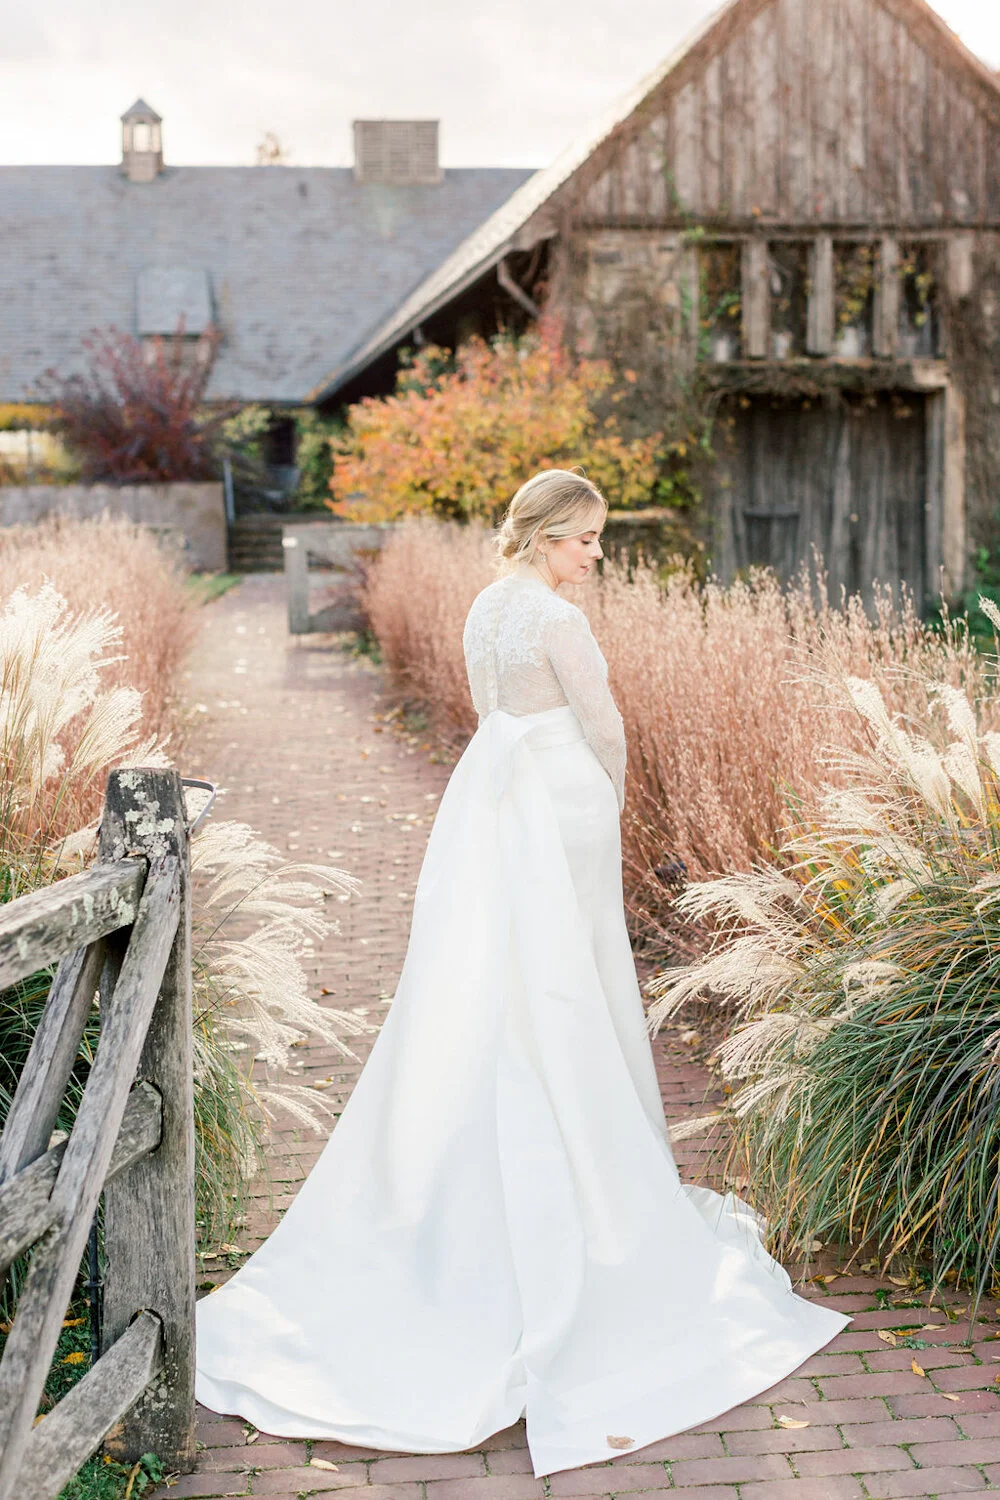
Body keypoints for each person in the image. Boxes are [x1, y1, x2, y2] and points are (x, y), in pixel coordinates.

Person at [194, 468, 851, 1479]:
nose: (595, 553)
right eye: (584, 538)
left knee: (501, 971)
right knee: (570, 976)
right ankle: (581, 1173)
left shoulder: (484, 608)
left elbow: (488, 712)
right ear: (544, 536)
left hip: (498, 802)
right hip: (562, 803)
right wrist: (612, 800)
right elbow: (605, 726)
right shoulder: (557, 620)